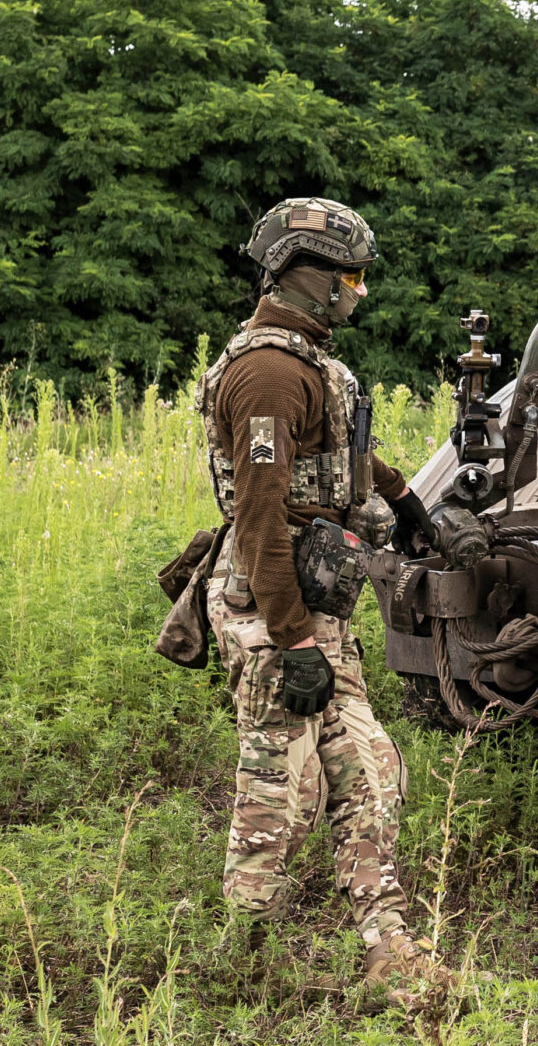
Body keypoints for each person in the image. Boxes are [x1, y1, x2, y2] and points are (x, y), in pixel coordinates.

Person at [194, 197, 452, 1006]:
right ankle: (240, 955)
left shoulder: (311, 365)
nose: (361, 293)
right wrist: (295, 641)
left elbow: (342, 453)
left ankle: (390, 949)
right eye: (353, 276)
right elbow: (263, 518)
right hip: (276, 611)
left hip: (316, 610)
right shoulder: (267, 373)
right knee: (283, 786)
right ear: (313, 279)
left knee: (371, 773)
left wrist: (405, 497)